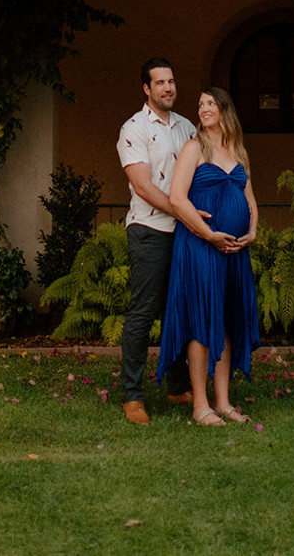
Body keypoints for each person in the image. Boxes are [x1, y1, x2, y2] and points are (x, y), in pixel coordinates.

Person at [157, 86, 261, 426]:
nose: (203, 108)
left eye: (210, 103)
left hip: (233, 251)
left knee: (226, 320)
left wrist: (252, 231)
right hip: (200, 246)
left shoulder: (237, 150)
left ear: (224, 109)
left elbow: (250, 199)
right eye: (200, 104)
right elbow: (177, 198)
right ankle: (200, 405)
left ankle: (224, 402)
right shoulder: (194, 148)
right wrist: (209, 234)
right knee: (202, 321)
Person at [116, 57, 197, 425]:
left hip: (184, 233)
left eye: (171, 81)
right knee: (143, 312)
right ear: (146, 89)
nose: (168, 88)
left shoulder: (187, 127)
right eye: (160, 82)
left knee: (178, 311)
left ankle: (178, 387)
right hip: (149, 231)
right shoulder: (133, 128)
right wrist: (184, 212)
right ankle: (132, 396)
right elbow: (143, 186)